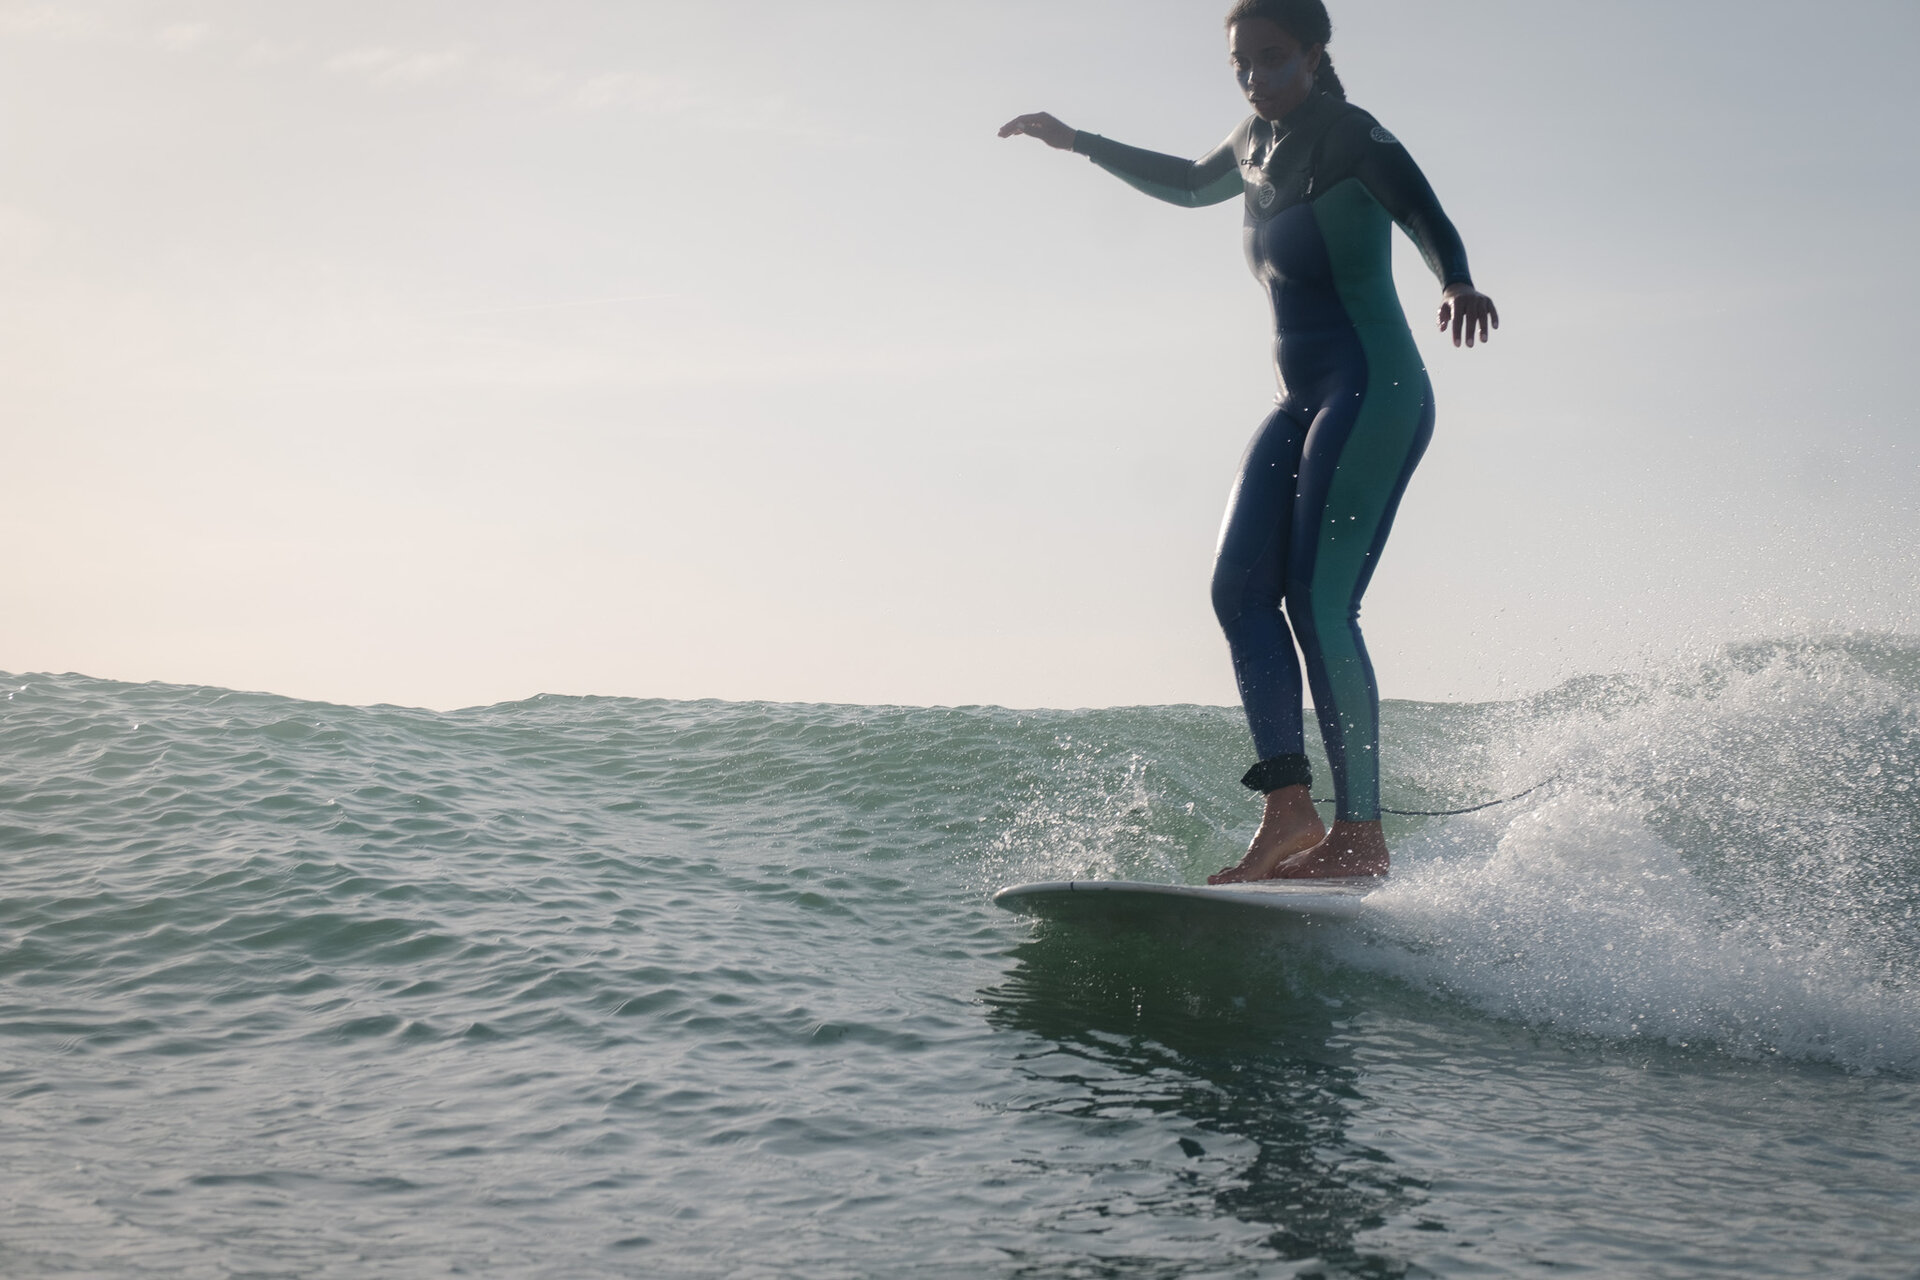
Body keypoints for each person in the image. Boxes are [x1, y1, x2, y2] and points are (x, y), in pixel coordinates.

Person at [1000, 0, 1496, 882]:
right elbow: (1191, 186)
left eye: (1274, 60)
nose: (1257, 78)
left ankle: (1363, 837)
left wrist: (1456, 279)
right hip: (1300, 400)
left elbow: (1425, 212)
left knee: (1319, 601)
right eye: (1242, 63)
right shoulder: (1250, 144)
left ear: (1313, 54)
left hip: (1372, 390)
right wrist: (1079, 142)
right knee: (1238, 589)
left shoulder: (1352, 134)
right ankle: (1289, 813)